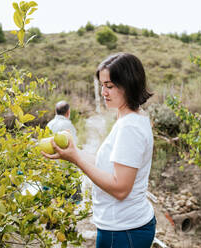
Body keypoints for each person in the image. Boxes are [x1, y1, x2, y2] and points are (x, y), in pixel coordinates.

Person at [42, 52, 156, 248]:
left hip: (123, 230)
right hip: (125, 226)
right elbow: (107, 166)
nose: (104, 92)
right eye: (102, 85)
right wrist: (73, 153)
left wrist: (76, 160)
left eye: (109, 86)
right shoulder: (130, 118)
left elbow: (120, 189)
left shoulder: (130, 127)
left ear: (129, 85)